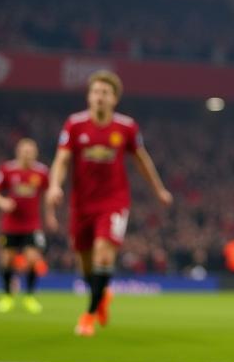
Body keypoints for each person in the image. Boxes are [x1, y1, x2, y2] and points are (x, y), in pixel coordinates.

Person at [45, 70, 172, 337]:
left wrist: (158, 189)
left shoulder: (126, 127)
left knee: (104, 252)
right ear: (88, 96)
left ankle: (88, 315)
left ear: (115, 99)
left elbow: (142, 160)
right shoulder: (75, 124)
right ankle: (101, 296)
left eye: (105, 93)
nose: (99, 97)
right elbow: (62, 160)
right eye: (95, 92)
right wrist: (55, 185)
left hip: (113, 201)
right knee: (86, 264)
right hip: (81, 204)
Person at [0, 137, 49, 314]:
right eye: (24, 150)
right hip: (11, 224)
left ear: (35, 153)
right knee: (7, 260)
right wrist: (2, 202)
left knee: (32, 259)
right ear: (18, 151)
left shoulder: (42, 172)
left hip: (32, 224)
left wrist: (50, 215)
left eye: (30, 151)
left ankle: (29, 296)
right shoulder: (7, 169)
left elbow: (48, 194)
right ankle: (7, 296)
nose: (27, 154)